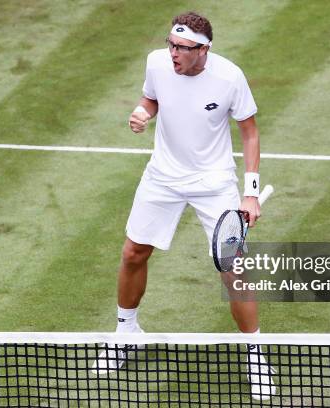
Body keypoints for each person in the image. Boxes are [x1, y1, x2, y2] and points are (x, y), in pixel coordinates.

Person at [92, 11, 275, 400]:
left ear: (203, 50)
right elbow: (152, 97)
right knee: (132, 253)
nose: (173, 53)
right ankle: (126, 333)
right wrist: (143, 112)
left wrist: (251, 192)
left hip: (214, 183)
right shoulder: (157, 63)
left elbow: (250, 132)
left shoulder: (229, 78)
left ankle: (255, 354)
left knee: (234, 269)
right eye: (170, 45)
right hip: (163, 176)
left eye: (182, 48)